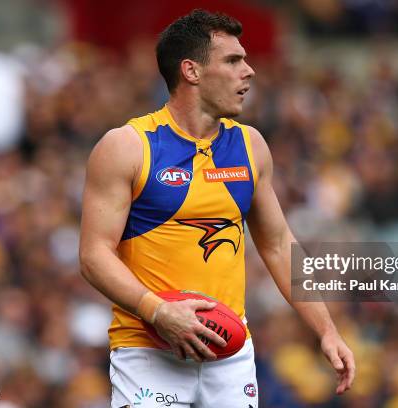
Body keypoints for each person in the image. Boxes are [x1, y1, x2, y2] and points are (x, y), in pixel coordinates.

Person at [79, 9, 355, 408]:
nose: (250, 71)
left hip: (230, 355)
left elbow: (279, 244)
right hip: (149, 352)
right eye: (233, 60)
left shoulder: (250, 146)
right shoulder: (128, 146)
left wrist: (326, 330)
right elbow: (92, 256)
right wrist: (159, 312)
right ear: (191, 71)